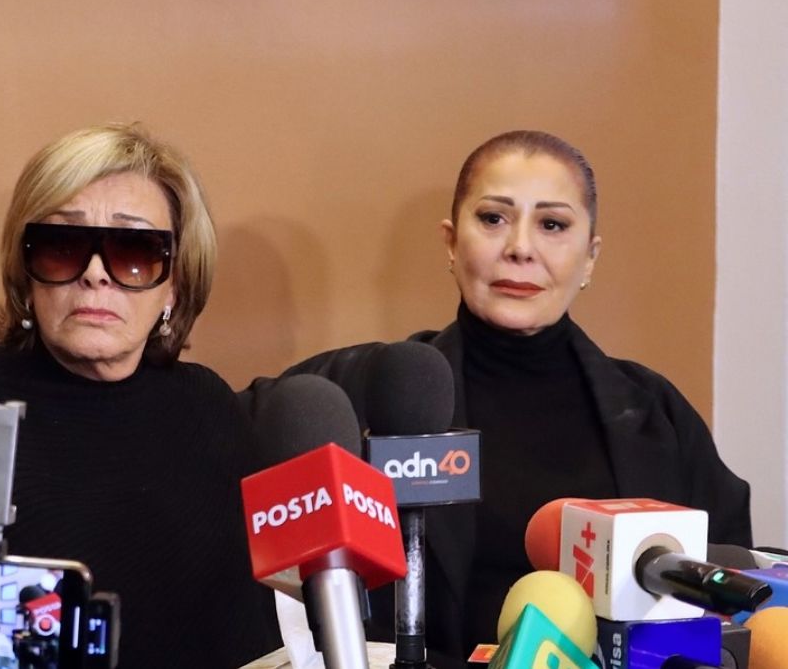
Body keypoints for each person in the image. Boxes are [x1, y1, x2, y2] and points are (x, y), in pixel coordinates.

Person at [274, 130, 751, 664]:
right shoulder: (360, 392)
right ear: (451, 242)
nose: (521, 248)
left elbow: (735, 604)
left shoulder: (657, 415)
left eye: (552, 225)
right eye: (494, 218)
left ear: (590, 257)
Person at [0, 124, 281, 668]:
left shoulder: (211, 410)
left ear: (174, 285)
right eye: (63, 247)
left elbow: (257, 635)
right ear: (26, 272)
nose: (95, 275)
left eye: (134, 252)